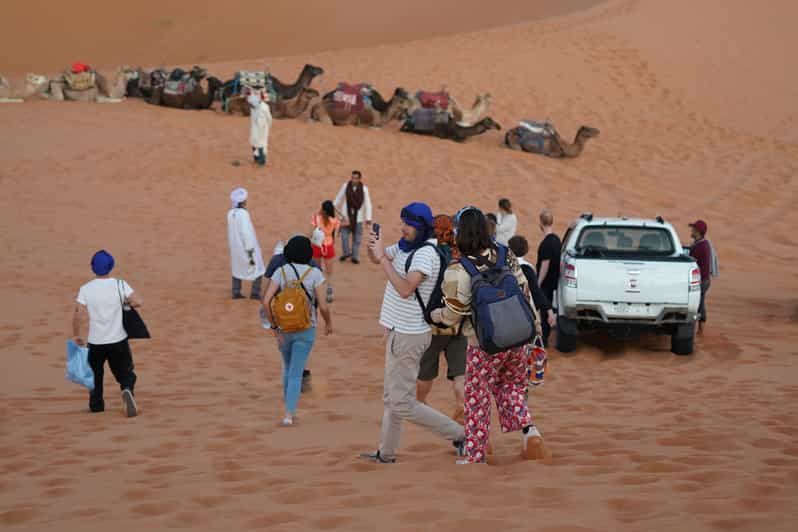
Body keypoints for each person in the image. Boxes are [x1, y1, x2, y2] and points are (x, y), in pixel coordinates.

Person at [430, 208, 547, 464]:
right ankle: (530, 431)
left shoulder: (459, 269)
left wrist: (434, 315)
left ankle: (476, 455)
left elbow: (453, 315)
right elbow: (524, 291)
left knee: (477, 398)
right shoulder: (506, 254)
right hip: (517, 336)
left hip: (484, 344)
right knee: (511, 388)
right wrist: (535, 328)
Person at [361, 202, 465, 464]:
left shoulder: (424, 254)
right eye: (402, 222)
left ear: (419, 226)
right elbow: (379, 258)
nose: (403, 228)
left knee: (403, 403)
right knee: (392, 399)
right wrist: (373, 247)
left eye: (407, 224)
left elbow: (406, 288)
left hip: (410, 335)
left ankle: (461, 434)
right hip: (398, 332)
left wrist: (384, 260)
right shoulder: (406, 247)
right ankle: (386, 453)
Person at [262, 236, 333, 426]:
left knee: (287, 368)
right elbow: (324, 306)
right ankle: (289, 414)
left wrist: (274, 327)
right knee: (296, 371)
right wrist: (328, 322)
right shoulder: (315, 274)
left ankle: (288, 409)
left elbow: (266, 301)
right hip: (306, 328)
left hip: (284, 328)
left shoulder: (281, 271)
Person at [72, 250, 142, 417]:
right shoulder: (120, 284)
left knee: (95, 376)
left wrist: (77, 335)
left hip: (95, 342)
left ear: (92, 267)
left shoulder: (86, 289)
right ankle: (126, 390)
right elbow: (138, 301)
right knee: (126, 373)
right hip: (118, 340)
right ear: (111, 266)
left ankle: (96, 407)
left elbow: (78, 314)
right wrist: (126, 301)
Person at [416, 214, 466, 422]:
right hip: (459, 322)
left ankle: (419, 405)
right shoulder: (461, 255)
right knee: (460, 374)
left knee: (426, 371)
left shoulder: (429, 255)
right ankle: (463, 407)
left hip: (433, 324)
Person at [263, 238, 319, 391]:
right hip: (306, 315)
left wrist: (270, 318)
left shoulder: (277, 261)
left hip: (282, 314)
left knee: (286, 351)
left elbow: (266, 291)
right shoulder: (312, 263)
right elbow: (317, 295)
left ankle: (291, 382)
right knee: (302, 347)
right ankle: (303, 376)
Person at [508, 235, 557, 332]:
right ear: (525, 250)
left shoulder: (504, 267)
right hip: (524, 313)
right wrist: (549, 310)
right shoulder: (528, 269)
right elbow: (536, 292)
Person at [228, 187, 266, 300]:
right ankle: (255, 293)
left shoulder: (230, 213)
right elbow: (246, 233)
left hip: (235, 248)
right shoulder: (243, 214)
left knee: (237, 268)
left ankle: (236, 292)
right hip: (247, 248)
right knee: (258, 268)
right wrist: (250, 250)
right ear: (243, 202)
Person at [334, 170, 372, 264]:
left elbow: (367, 203)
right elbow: (339, 198)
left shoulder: (364, 189)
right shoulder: (345, 186)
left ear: (359, 179)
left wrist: (368, 218)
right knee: (344, 236)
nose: (353, 180)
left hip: (358, 218)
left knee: (357, 238)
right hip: (345, 216)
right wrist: (332, 206)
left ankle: (355, 256)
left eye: (355, 178)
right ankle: (346, 253)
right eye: (352, 178)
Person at [536, 209, 561, 346]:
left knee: (545, 311)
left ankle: (544, 340)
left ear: (541, 223)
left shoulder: (546, 243)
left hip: (546, 283)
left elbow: (545, 264)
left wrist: (538, 282)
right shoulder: (557, 240)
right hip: (555, 281)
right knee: (551, 308)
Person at [311, 200, 341, 303]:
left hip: (317, 246)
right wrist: (336, 211)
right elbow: (345, 222)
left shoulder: (316, 218)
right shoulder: (334, 221)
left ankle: (315, 293)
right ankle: (329, 290)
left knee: (317, 270)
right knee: (329, 273)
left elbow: (313, 231)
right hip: (328, 247)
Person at [689, 219, 714, 335]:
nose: (691, 230)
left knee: (698, 304)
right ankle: (700, 328)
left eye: (693, 228)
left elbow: (690, 262)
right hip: (705, 280)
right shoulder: (704, 243)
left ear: (698, 231)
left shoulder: (698, 247)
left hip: (701, 281)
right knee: (699, 303)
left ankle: (700, 329)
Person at [248, 87, 272, 166]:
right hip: (255, 126)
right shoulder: (253, 106)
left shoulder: (264, 107)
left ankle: (262, 161)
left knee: (261, 144)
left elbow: (269, 118)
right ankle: (256, 158)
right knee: (254, 141)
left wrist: (267, 127)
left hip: (262, 127)